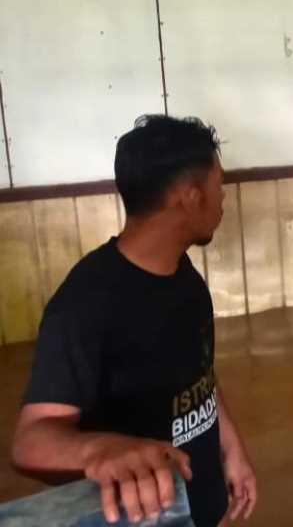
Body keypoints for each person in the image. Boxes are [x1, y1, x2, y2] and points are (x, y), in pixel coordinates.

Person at [11, 115, 256, 527]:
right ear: (189, 197)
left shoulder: (185, 277)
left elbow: (200, 379)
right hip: (142, 517)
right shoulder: (86, 304)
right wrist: (99, 450)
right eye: (219, 186)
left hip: (200, 505)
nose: (223, 199)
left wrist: (232, 451)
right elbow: (29, 441)